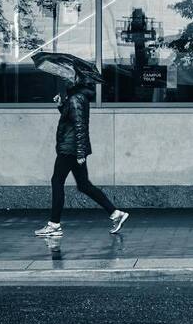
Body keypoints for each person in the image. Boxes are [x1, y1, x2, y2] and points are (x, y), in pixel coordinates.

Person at [34, 80, 129, 237]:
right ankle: (115, 213)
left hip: (69, 150)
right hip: (73, 149)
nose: (67, 82)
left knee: (57, 181)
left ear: (76, 83)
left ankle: (54, 225)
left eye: (70, 80)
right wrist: (61, 105)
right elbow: (72, 120)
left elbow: (80, 126)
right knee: (84, 185)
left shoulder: (76, 99)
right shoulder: (78, 98)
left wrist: (80, 152)